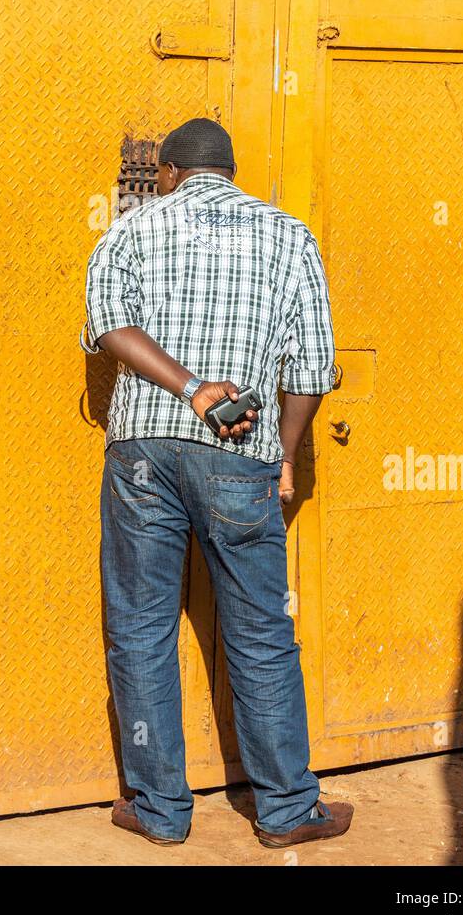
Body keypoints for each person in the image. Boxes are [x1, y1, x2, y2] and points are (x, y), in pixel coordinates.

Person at [80, 117, 353, 848]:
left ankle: (160, 809)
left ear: (166, 170)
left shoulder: (131, 229)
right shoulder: (288, 235)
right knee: (261, 630)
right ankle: (288, 810)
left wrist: (188, 384)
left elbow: (109, 328)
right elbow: (311, 369)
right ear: (228, 172)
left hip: (142, 453)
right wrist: (286, 452)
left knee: (140, 628)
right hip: (242, 453)